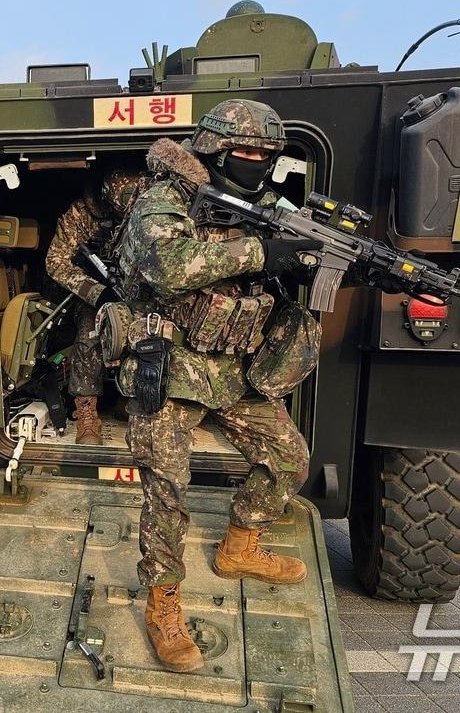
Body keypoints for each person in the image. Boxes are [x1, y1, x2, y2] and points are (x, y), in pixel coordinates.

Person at [114, 99, 322, 673]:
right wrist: (261, 251)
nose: (257, 162)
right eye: (246, 151)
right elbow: (167, 264)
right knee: (168, 490)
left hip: (232, 368)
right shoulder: (165, 197)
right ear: (214, 149)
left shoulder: (266, 207)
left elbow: (295, 250)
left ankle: (240, 545)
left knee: (289, 459)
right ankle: (163, 602)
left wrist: (313, 262)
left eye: (266, 154)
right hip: (170, 365)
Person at [42, 168, 147, 445]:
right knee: (91, 331)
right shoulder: (82, 214)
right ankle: (87, 414)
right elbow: (56, 262)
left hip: (136, 290)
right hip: (89, 295)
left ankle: (131, 397)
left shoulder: (150, 209)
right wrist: (97, 293)